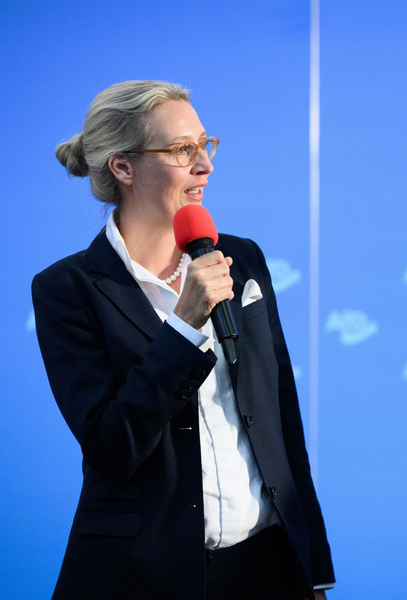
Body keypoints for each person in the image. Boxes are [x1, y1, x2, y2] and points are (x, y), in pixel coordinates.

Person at [33, 81, 335, 599]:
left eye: (205, 144)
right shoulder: (68, 289)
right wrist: (183, 325)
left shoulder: (240, 258)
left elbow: (281, 416)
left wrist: (314, 570)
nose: (205, 165)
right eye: (181, 150)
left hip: (269, 566)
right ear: (123, 168)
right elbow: (113, 448)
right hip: (144, 574)